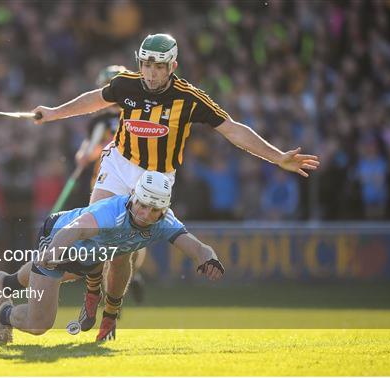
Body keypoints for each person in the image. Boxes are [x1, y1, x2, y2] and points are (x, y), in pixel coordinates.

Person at [31, 33, 320, 337]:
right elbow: (94, 99)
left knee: (122, 251)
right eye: (145, 65)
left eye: (158, 67)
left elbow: (233, 130)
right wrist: (53, 113)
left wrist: (277, 158)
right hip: (119, 164)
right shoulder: (126, 83)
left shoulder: (189, 98)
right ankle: (92, 293)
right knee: (95, 231)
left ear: (173, 66)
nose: (151, 73)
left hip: (156, 177)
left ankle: (110, 314)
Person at [0, 171, 225, 344]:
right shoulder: (111, 212)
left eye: (155, 210)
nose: (146, 214)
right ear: (133, 196)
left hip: (92, 255)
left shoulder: (164, 222)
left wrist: (209, 258)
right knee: (39, 324)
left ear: (164, 210)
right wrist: (53, 252)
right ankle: (5, 312)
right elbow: (77, 228)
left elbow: (196, 246)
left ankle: (5, 289)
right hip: (61, 236)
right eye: (142, 205)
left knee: (73, 271)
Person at [74, 65, 147, 304]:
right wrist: (85, 154)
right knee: (121, 235)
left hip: (120, 182)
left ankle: (123, 279)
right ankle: (119, 281)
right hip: (115, 183)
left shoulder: (122, 116)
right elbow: (88, 148)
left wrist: (86, 154)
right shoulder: (108, 118)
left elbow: (88, 151)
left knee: (121, 235)